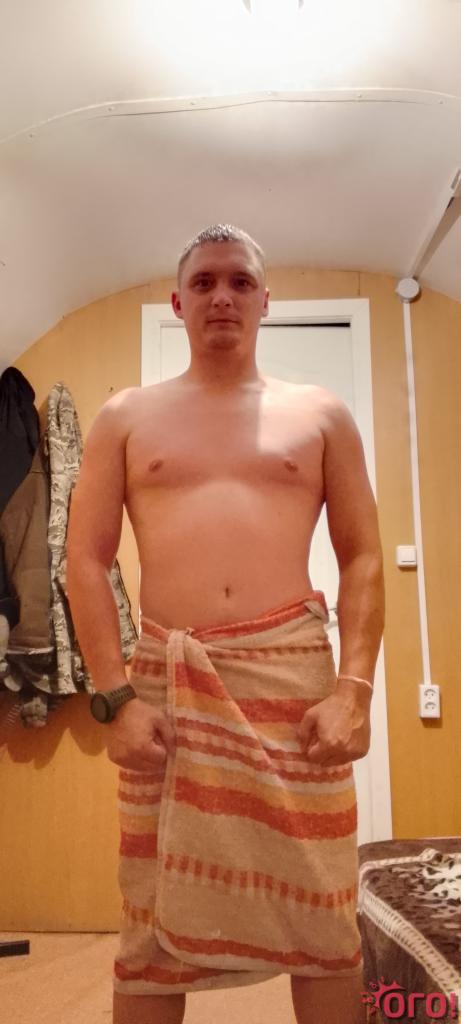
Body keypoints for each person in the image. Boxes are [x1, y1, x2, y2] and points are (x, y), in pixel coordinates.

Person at [66, 224, 384, 1024]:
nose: (221, 296)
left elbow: (362, 558)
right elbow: (83, 561)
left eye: (239, 281)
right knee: (149, 920)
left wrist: (353, 691)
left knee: (321, 909)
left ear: (264, 301)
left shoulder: (319, 415)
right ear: (177, 303)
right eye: (203, 282)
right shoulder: (125, 416)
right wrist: (114, 698)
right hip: (167, 685)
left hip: (292, 682)